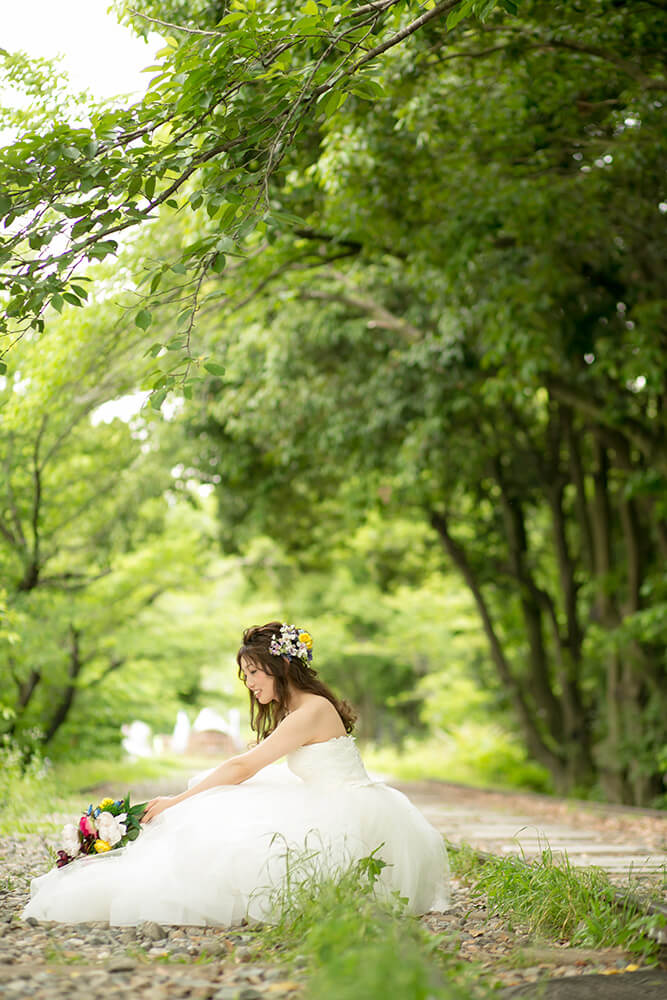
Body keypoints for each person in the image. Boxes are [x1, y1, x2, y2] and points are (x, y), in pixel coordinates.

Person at [22, 622, 449, 926]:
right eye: (245, 675)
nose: (249, 684)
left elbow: (243, 767)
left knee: (220, 807)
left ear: (280, 667)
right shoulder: (299, 708)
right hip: (329, 797)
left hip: (352, 812)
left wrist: (175, 801)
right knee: (224, 803)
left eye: (253, 672)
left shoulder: (310, 710)